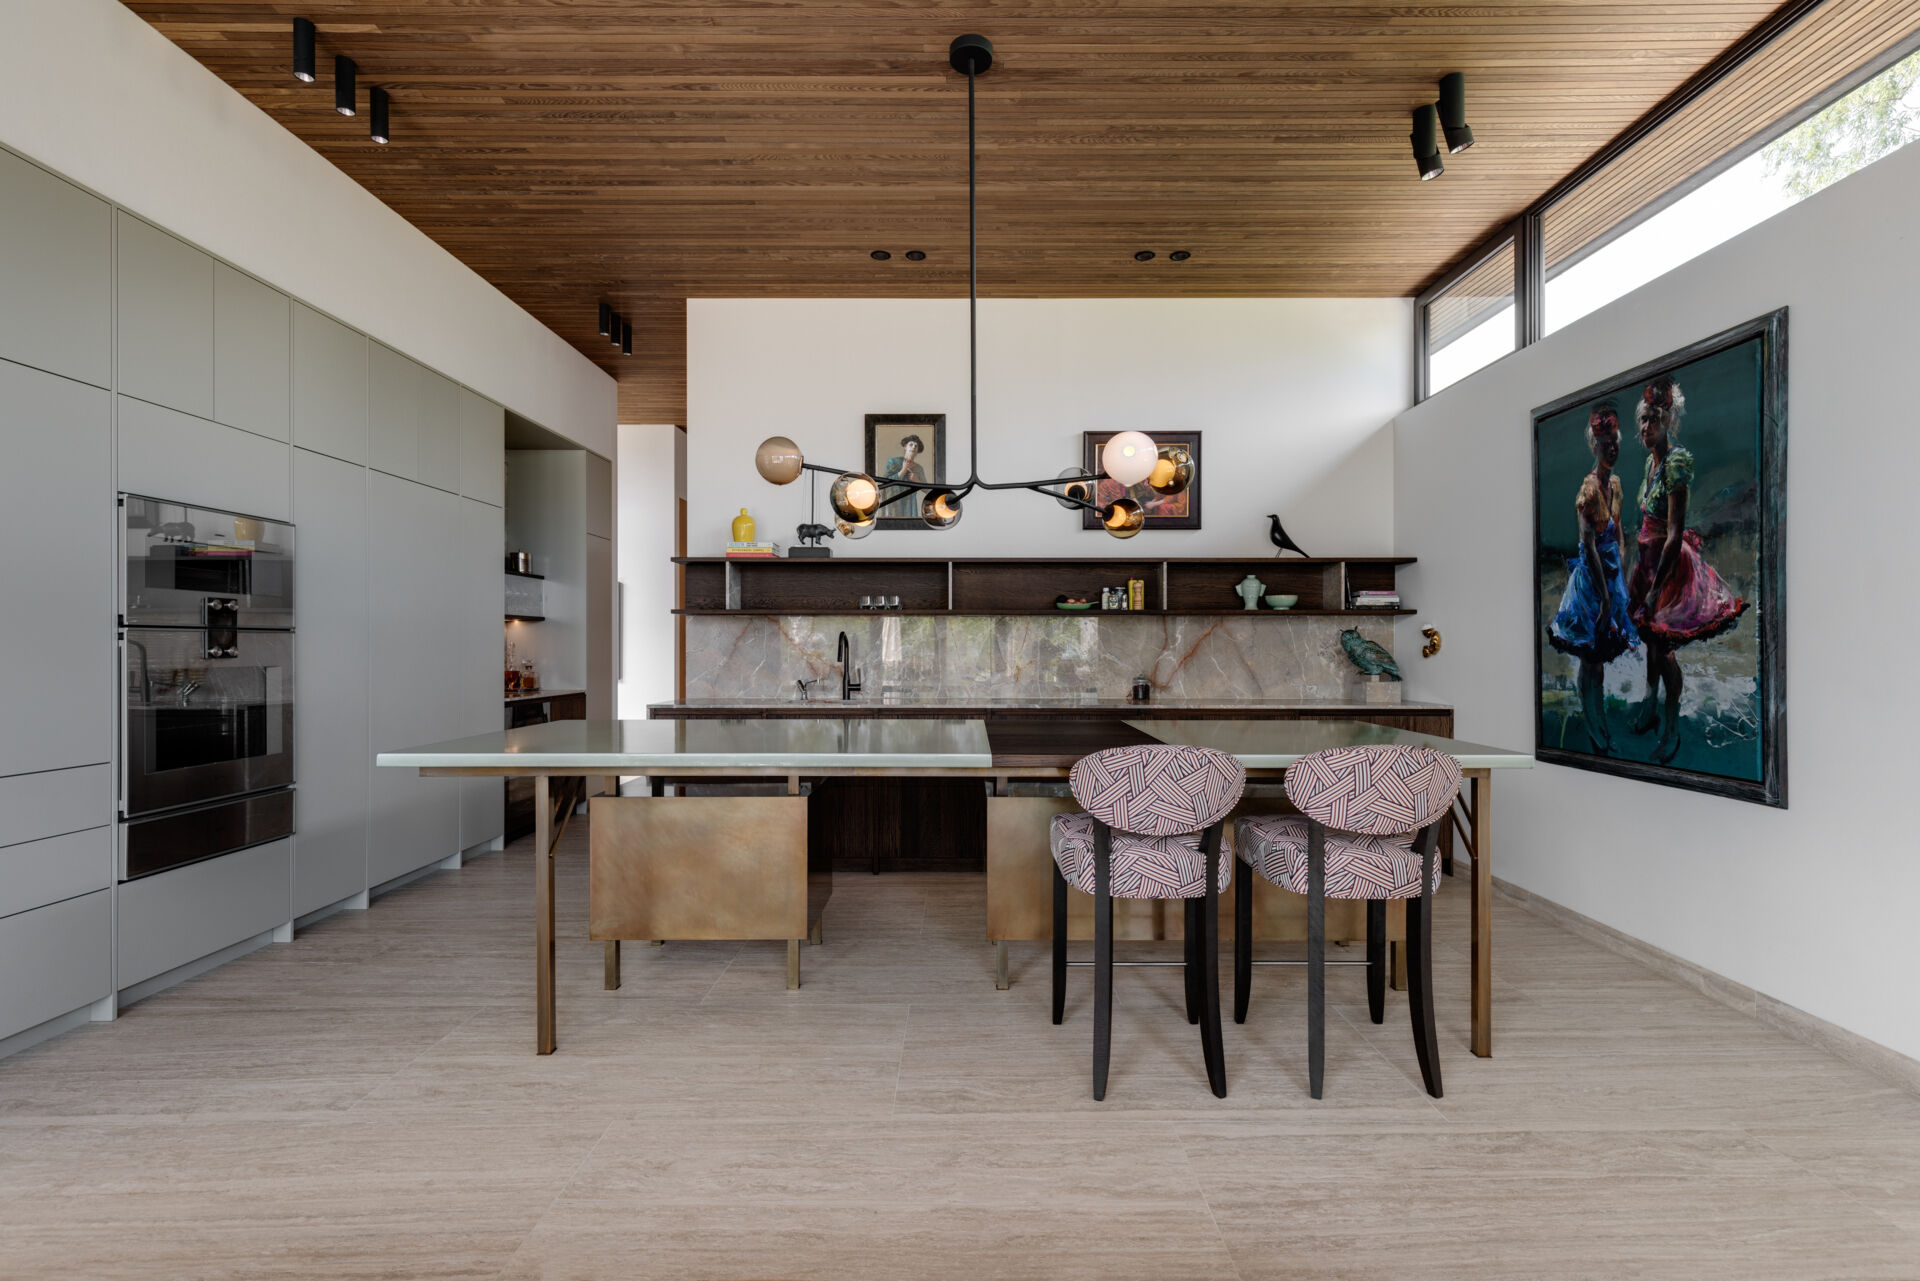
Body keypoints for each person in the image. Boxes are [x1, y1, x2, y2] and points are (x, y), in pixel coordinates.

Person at [1626, 376, 1749, 764]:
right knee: (1649, 639)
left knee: (1664, 649)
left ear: (1669, 421)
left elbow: (1674, 532)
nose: (1647, 428)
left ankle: (1672, 725)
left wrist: (1652, 588)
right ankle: (1649, 704)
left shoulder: (1677, 462)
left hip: (1667, 565)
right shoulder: (1650, 462)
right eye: (1643, 421)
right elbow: (1645, 521)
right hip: (1646, 562)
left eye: (1654, 420)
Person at [1547, 402, 1638, 755]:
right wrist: (1603, 595)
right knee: (1590, 654)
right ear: (1594, 447)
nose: (1611, 448)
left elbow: (1618, 538)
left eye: (1615, 442)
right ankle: (1593, 723)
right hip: (1591, 584)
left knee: (1600, 656)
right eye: (1605, 444)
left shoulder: (1615, 484)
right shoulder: (1588, 492)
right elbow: (1589, 549)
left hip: (1612, 580)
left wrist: (1621, 582)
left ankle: (1599, 719)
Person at [880, 434, 927, 519]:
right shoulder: (894, 462)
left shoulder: (919, 468)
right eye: (911, 445)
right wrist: (903, 470)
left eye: (916, 446)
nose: (913, 447)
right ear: (905, 446)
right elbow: (884, 482)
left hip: (910, 503)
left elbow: (928, 489)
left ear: (918, 450)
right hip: (893, 501)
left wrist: (917, 481)